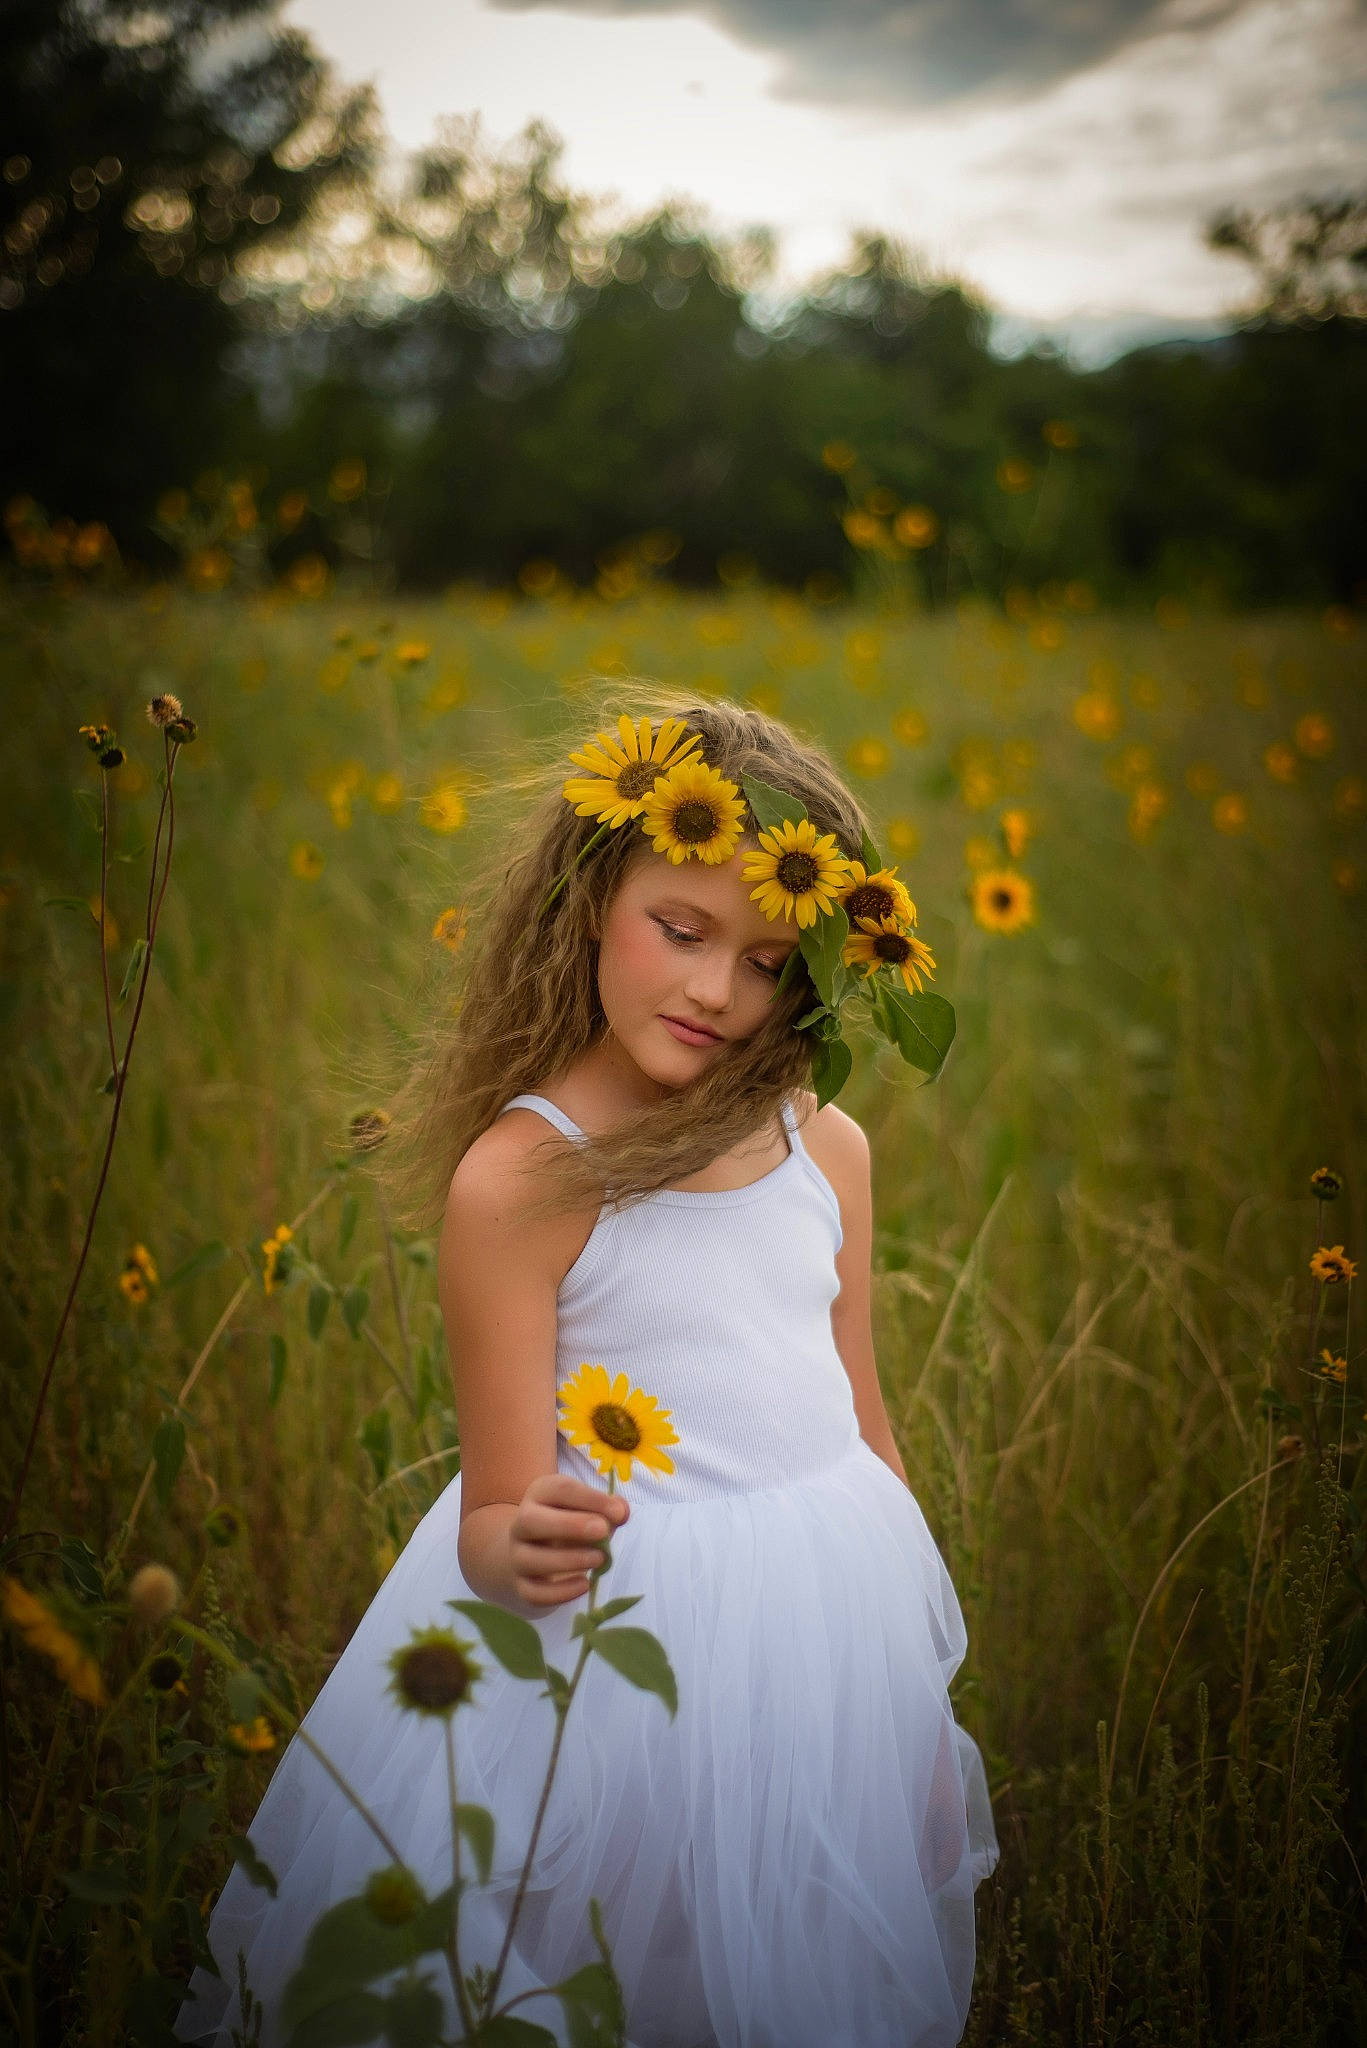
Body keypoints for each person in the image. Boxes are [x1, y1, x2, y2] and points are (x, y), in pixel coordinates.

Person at [174, 689, 999, 2048]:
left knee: (783, 1975)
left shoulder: (826, 1148)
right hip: (615, 1669)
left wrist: (909, 1706)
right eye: (681, 930)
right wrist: (521, 1547)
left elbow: (865, 1423)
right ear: (589, 894)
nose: (715, 991)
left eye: (769, 961)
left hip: (819, 1638)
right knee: (606, 1976)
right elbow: (497, 1511)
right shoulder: (524, 1179)